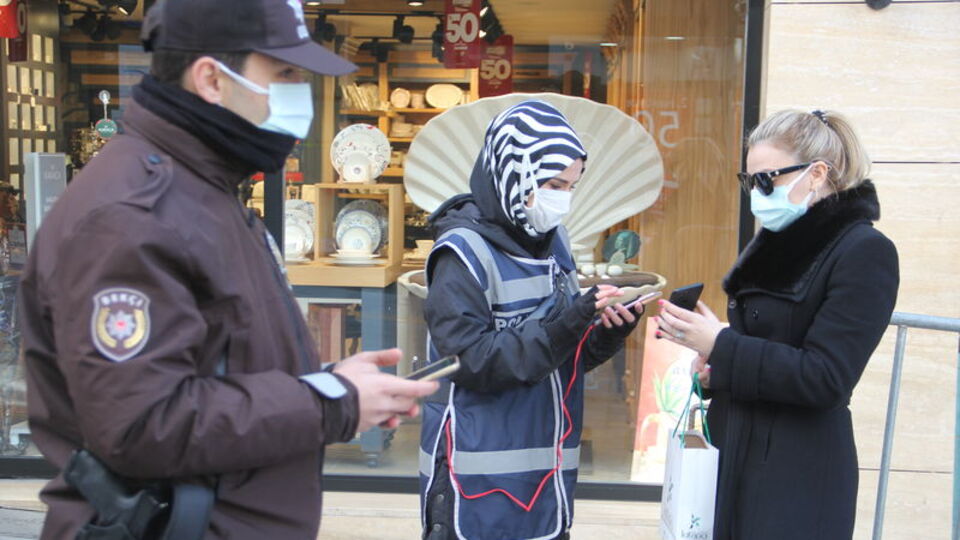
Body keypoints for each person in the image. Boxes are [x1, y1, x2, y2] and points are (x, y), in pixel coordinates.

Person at [19, 0, 437, 538]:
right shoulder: (130, 217)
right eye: (283, 72)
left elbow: (216, 368)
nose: (298, 90)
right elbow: (143, 423)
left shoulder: (202, 190)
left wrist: (328, 385)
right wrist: (329, 404)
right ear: (212, 79)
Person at [655, 109, 899, 539]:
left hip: (796, 473)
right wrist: (713, 368)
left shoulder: (865, 252)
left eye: (767, 179)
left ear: (818, 174)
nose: (756, 192)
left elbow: (826, 377)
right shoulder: (774, 244)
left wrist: (724, 346)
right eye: (749, 180)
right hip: (737, 456)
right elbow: (762, 347)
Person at [419, 100, 646, 540]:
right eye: (553, 184)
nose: (561, 199)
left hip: (545, 484)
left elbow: (559, 356)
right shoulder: (460, 254)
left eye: (571, 186)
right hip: (474, 484)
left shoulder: (552, 241)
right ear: (513, 172)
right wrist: (568, 323)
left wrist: (605, 332)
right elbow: (468, 362)